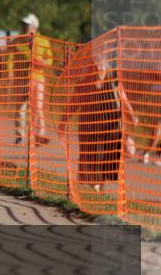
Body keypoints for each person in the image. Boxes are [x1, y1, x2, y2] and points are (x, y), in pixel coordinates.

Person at [62, 41, 138, 193]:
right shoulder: (84, 85)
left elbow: (123, 100)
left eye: (101, 66)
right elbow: (72, 105)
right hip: (88, 127)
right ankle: (91, 186)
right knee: (89, 155)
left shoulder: (114, 82)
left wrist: (132, 116)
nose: (99, 69)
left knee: (127, 151)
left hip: (111, 127)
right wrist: (62, 124)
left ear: (106, 67)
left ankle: (97, 184)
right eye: (95, 66)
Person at [12, 13, 54, 146]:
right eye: (23, 24)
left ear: (34, 26)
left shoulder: (43, 41)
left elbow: (51, 60)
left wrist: (42, 61)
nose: (24, 27)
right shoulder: (17, 40)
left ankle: (40, 135)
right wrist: (9, 72)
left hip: (38, 79)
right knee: (20, 108)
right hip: (21, 79)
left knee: (38, 108)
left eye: (27, 24)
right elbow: (9, 57)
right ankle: (20, 135)